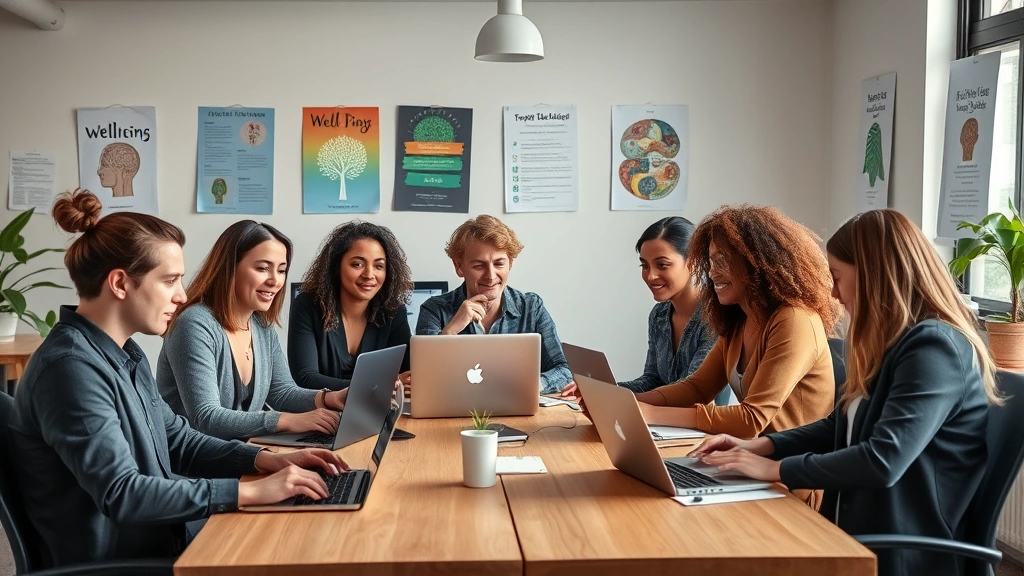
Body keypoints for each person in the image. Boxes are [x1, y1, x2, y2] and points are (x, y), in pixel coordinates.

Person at [7, 189, 346, 568]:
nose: (183, 296)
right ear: (120, 284)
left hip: (164, 532)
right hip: (128, 560)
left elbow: (177, 438)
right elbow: (123, 494)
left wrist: (265, 460)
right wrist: (246, 493)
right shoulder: (69, 369)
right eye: (170, 281)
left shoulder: (124, 354)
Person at [689, 209, 1000, 576]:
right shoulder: (896, 344)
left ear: (874, 275)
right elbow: (839, 426)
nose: (834, 294)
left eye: (838, 278)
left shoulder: (934, 349)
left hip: (898, 551)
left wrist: (774, 468)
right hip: (852, 529)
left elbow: (882, 460)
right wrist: (759, 447)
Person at [632, 206, 839, 448]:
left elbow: (751, 420)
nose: (712, 273)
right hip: (748, 460)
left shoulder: (795, 320)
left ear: (757, 262)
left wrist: (651, 413)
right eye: (711, 262)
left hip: (791, 477)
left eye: (722, 262)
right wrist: (626, 401)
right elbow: (697, 388)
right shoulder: (739, 320)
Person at [157, 221, 347, 441]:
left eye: (281, 270)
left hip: (239, 453)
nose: (275, 281)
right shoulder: (194, 325)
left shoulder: (261, 325)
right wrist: (286, 421)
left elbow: (281, 392)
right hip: (194, 466)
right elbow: (206, 418)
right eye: (262, 268)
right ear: (230, 268)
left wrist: (330, 398)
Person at [416, 215, 574, 395]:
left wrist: (533, 385)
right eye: (479, 266)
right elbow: (423, 378)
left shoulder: (532, 308)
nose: (491, 276)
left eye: (499, 264)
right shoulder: (434, 309)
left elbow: (563, 371)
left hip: (518, 411)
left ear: (510, 264)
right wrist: (450, 331)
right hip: (453, 416)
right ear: (459, 267)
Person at [288, 221, 412, 392]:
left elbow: (409, 374)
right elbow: (306, 377)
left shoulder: (393, 312)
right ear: (336, 266)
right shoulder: (308, 305)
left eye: (379, 266)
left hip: (378, 413)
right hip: (321, 413)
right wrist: (378, 385)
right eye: (357, 264)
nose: (369, 274)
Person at [617, 216, 724, 404]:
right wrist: (604, 388)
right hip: (663, 424)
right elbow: (652, 379)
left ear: (694, 262)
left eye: (662, 265)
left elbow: (693, 393)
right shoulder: (659, 315)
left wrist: (621, 397)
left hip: (698, 427)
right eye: (644, 265)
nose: (650, 275)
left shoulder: (715, 317)